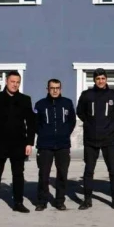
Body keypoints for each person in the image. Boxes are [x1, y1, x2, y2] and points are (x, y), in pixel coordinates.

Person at [0, 70, 36, 215]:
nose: (15, 84)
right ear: (6, 81)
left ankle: (18, 203)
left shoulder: (25, 99)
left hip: (19, 144)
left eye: (18, 82)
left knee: (18, 175)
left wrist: (29, 143)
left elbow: (31, 123)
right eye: (12, 82)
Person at [76, 68, 114, 210]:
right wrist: (90, 124)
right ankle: (87, 200)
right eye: (98, 79)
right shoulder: (86, 95)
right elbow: (80, 112)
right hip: (91, 139)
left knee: (113, 170)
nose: (100, 81)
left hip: (109, 138)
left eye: (103, 78)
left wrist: (111, 125)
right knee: (89, 170)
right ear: (94, 80)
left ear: (106, 79)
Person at [33, 79, 76, 211]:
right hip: (45, 145)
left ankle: (59, 201)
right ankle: (42, 201)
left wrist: (64, 133)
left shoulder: (67, 103)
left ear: (60, 89)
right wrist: (44, 134)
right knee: (44, 174)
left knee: (62, 174)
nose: (55, 90)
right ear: (48, 89)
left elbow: (72, 121)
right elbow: (35, 123)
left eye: (57, 88)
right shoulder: (40, 104)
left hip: (63, 145)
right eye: (52, 88)